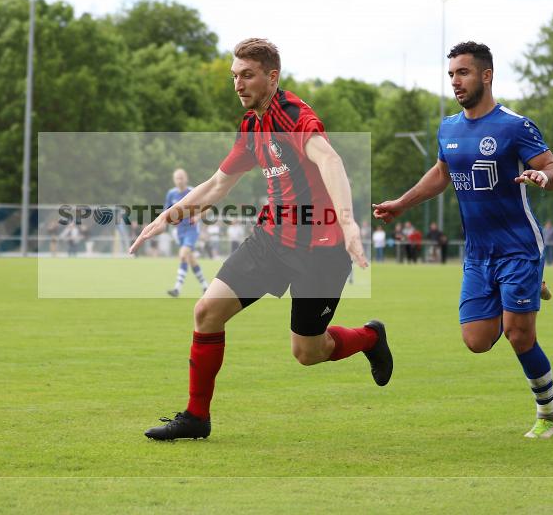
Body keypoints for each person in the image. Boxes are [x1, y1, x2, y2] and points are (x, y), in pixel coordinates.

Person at [130, 38, 391, 441]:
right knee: (206, 312)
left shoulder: (293, 115)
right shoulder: (251, 126)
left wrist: (349, 223)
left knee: (308, 352)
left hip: (320, 249)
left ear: (272, 77)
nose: (238, 84)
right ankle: (196, 417)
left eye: (247, 75)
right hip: (270, 240)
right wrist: (168, 215)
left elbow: (329, 159)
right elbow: (218, 184)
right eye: (235, 76)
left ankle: (371, 336)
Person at [373, 41, 553, 439]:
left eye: (463, 72)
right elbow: (441, 173)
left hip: (518, 247)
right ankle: (528, 288)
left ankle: (547, 415)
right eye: (451, 75)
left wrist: (543, 176)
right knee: (476, 341)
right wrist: (402, 204)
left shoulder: (514, 126)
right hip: (478, 253)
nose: (455, 81)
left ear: (486, 75)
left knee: (518, 334)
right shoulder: (449, 128)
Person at [164, 169, 209, 297]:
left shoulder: (193, 192)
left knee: (183, 255)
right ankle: (205, 286)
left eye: (181, 177)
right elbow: (166, 211)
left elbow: (207, 207)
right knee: (190, 259)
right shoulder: (171, 194)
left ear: (186, 178)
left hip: (191, 230)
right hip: (179, 231)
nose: (179, 180)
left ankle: (177, 288)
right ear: (174, 180)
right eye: (177, 178)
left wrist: (197, 217)